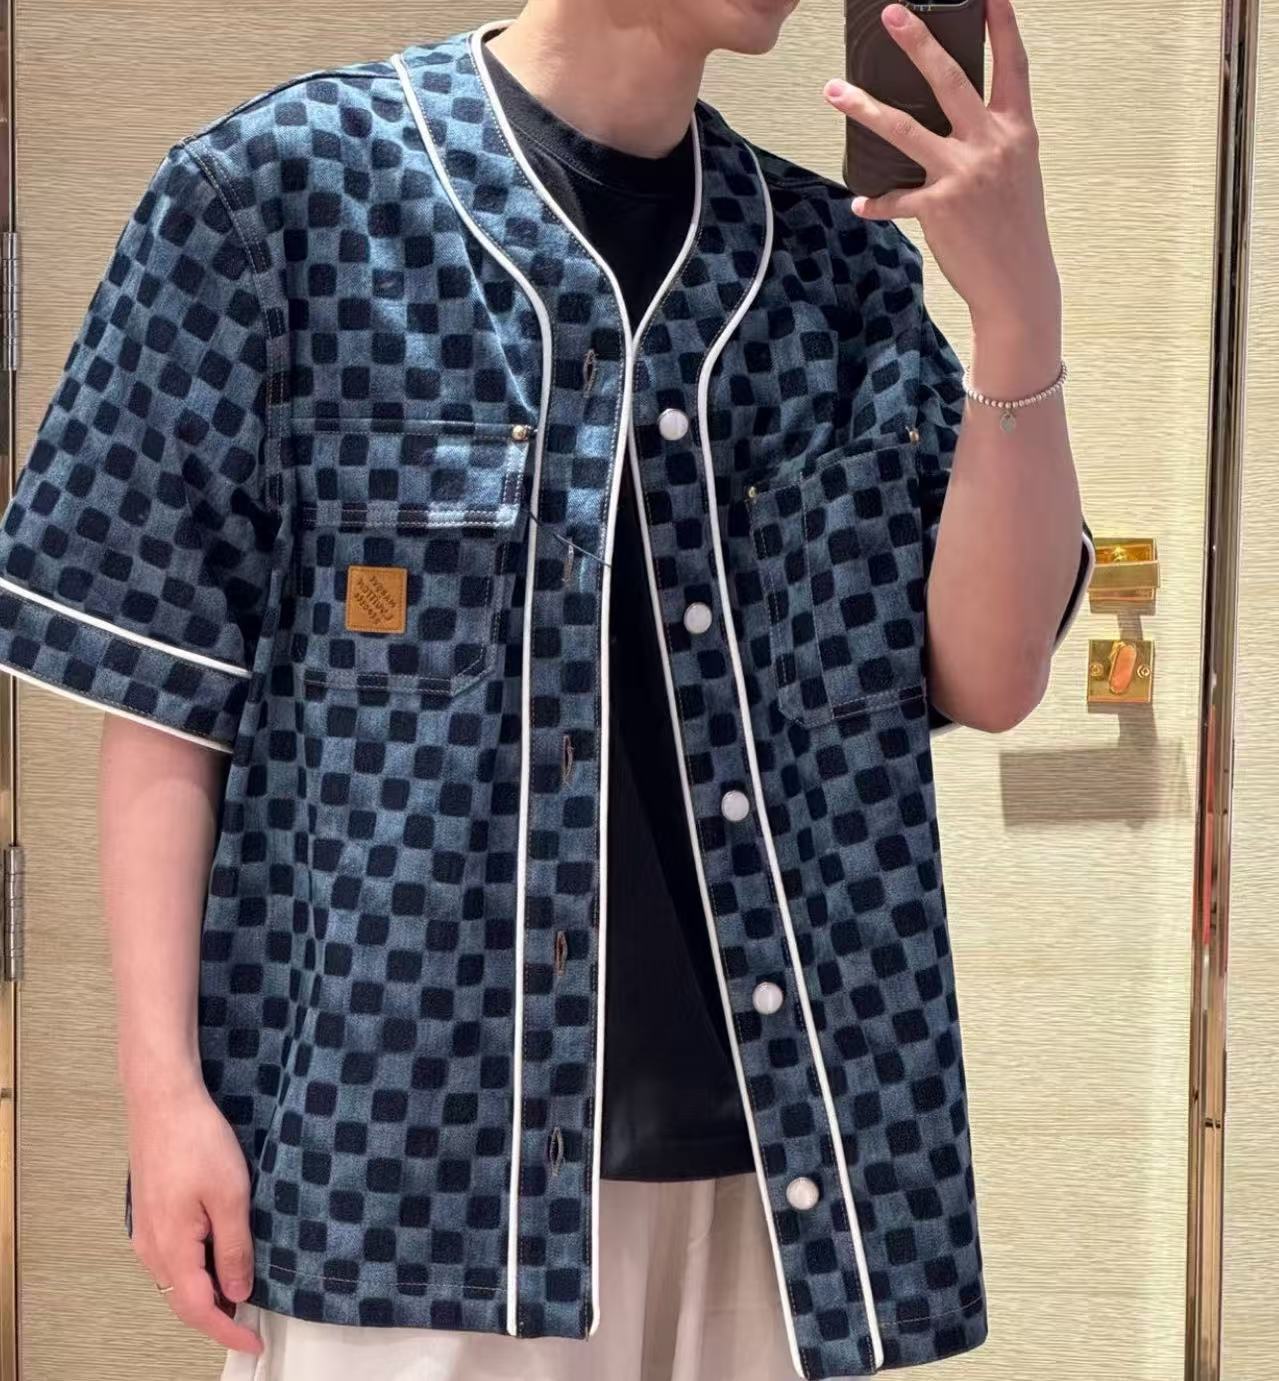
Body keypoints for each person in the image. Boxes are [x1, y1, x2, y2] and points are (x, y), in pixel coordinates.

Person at [0, 0, 1095, 1377]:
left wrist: (1017, 310)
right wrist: (164, 1096)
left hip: (784, 1175)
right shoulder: (278, 201)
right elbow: (165, 695)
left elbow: (991, 674)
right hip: (399, 1177)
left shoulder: (835, 268)